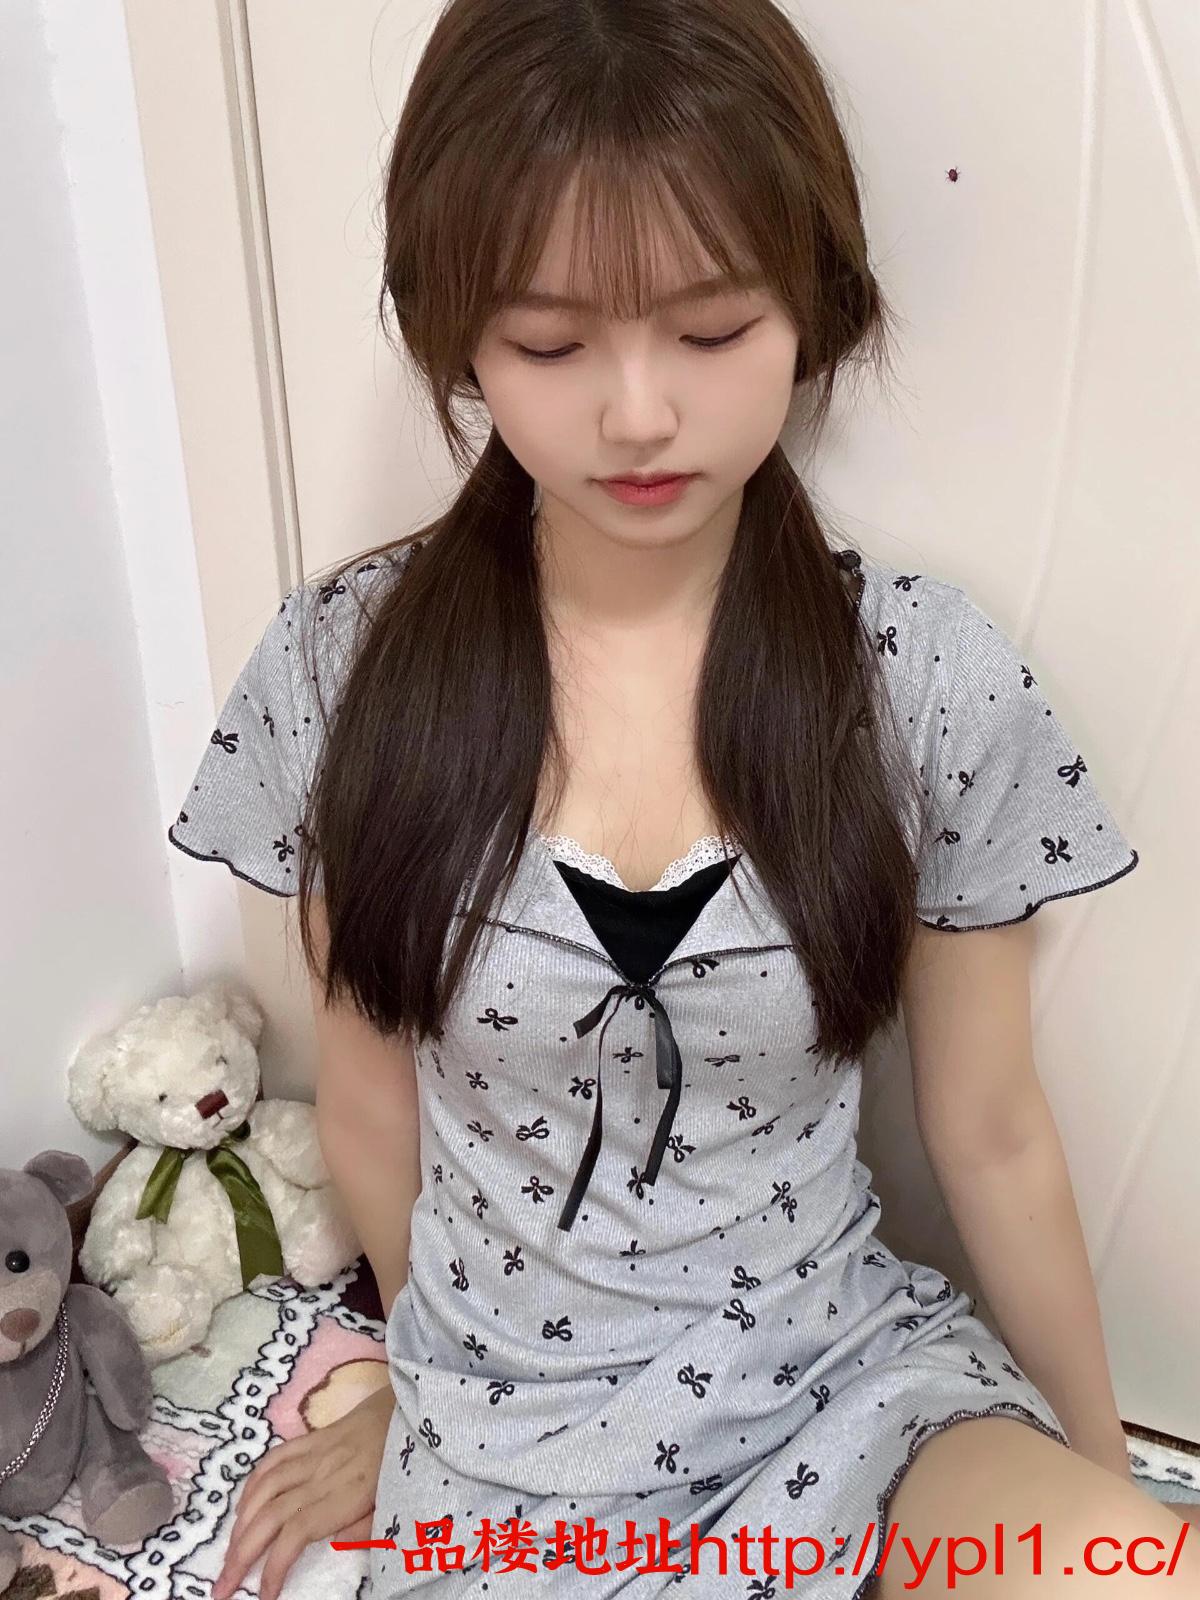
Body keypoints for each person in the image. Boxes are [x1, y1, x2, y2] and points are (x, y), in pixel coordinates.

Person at [164, 3, 1188, 1596]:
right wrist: (414, 1398)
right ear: (455, 334)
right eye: (549, 344)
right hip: (514, 1453)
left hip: (849, 1391)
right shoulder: (338, 675)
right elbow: (368, 1111)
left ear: (812, 308)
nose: (638, 413)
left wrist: (1099, 1486)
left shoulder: (925, 677)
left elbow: (991, 1132)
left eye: (712, 332)